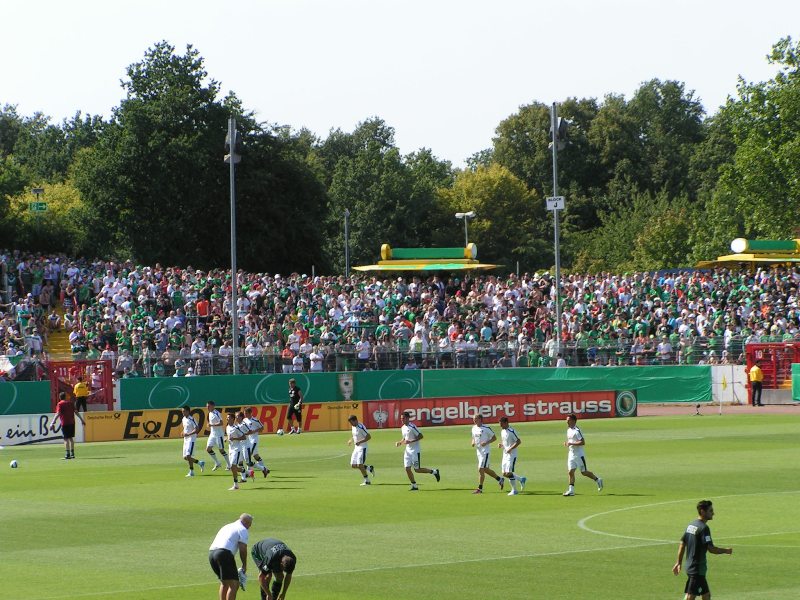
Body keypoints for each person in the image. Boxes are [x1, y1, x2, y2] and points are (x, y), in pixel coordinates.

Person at [672, 500, 733, 600]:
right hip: (697, 569)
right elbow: (711, 549)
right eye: (710, 510)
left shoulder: (691, 525)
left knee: (706, 595)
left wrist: (678, 562)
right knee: (690, 596)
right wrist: (725, 550)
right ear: (702, 511)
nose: (713, 513)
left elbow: (682, 543)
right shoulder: (704, 528)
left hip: (691, 567)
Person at [209, 513, 253, 600]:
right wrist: (244, 565)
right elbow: (243, 549)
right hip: (224, 554)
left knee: (225, 583)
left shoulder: (227, 526)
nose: (249, 527)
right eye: (249, 524)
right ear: (245, 522)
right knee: (234, 585)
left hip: (211, 554)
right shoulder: (242, 529)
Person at [394, 411, 440, 491]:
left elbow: (421, 436)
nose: (402, 420)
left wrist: (410, 441)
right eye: (401, 419)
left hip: (415, 451)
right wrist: (400, 442)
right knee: (407, 468)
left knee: (417, 470)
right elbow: (405, 438)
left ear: (408, 418)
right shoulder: (402, 428)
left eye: (403, 418)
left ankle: (434, 472)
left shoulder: (412, 427)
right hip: (407, 451)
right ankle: (414, 485)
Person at [563, 413, 602, 496]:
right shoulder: (568, 430)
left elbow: (583, 442)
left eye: (568, 420)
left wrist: (571, 443)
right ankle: (571, 490)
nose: (567, 422)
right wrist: (567, 443)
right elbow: (570, 441)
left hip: (579, 455)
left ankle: (597, 480)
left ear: (573, 421)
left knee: (584, 472)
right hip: (571, 454)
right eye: (566, 421)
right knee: (570, 472)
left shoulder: (577, 431)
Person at [470, 414, 504, 494]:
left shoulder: (486, 428)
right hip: (478, 452)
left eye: (476, 419)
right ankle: (500, 479)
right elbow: (473, 437)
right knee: (485, 469)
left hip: (485, 452)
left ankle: (480, 489)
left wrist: (486, 442)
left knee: (480, 469)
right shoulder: (474, 428)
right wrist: (473, 442)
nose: (474, 420)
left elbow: (494, 438)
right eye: (473, 419)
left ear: (481, 419)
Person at [51, 391, 85, 460]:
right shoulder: (71, 403)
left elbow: (58, 413)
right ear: (65, 397)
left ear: (60, 398)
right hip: (72, 423)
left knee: (66, 439)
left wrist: (53, 422)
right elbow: (76, 412)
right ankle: (72, 454)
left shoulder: (60, 404)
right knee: (71, 438)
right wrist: (82, 420)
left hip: (65, 423)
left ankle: (67, 454)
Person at [498, 416, 527, 496]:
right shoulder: (502, 431)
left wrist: (510, 448)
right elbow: (505, 441)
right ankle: (521, 479)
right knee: (504, 473)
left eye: (501, 424)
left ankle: (514, 490)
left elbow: (518, 441)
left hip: (512, 455)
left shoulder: (512, 431)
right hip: (505, 454)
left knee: (509, 472)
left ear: (506, 423)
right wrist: (501, 445)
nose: (500, 426)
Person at [346, 414, 375, 486]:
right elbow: (354, 435)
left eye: (351, 422)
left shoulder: (361, 427)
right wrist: (351, 440)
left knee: (359, 464)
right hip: (356, 448)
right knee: (353, 465)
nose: (351, 424)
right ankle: (369, 468)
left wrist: (360, 442)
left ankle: (367, 481)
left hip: (363, 448)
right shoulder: (353, 426)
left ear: (355, 420)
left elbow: (369, 437)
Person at [243, 406, 270, 478]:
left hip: (254, 440)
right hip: (248, 439)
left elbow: (262, 428)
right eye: (244, 413)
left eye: (246, 413)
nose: (245, 415)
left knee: (249, 455)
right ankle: (265, 469)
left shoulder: (255, 420)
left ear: (250, 413)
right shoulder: (244, 420)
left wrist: (254, 431)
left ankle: (249, 472)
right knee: (255, 456)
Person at [206, 401, 231, 471]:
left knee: (221, 450)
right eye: (207, 406)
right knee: (208, 449)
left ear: (213, 406)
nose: (207, 407)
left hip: (219, 434)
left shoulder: (217, 413)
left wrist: (212, 425)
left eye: (209, 406)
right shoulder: (210, 413)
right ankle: (217, 463)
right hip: (212, 434)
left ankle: (229, 465)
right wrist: (210, 424)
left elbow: (221, 423)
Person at [181, 405, 205, 477]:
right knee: (185, 457)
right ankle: (200, 463)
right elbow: (185, 428)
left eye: (184, 411)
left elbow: (197, 429)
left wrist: (188, 434)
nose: (183, 413)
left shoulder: (192, 419)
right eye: (182, 411)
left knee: (188, 455)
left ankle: (191, 472)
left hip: (191, 439)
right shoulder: (183, 419)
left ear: (188, 411)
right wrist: (183, 432)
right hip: (186, 439)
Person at [226, 412, 248, 490]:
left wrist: (235, 439)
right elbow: (229, 436)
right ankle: (243, 470)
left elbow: (244, 437)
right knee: (232, 468)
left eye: (228, 417)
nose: (227, 419)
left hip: (237, 449)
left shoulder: (236, 428)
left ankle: (236, 485)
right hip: (230, 449)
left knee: (232, 466)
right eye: (227, 417)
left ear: (232, 419)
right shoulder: (227, 427)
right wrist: (227, 439)